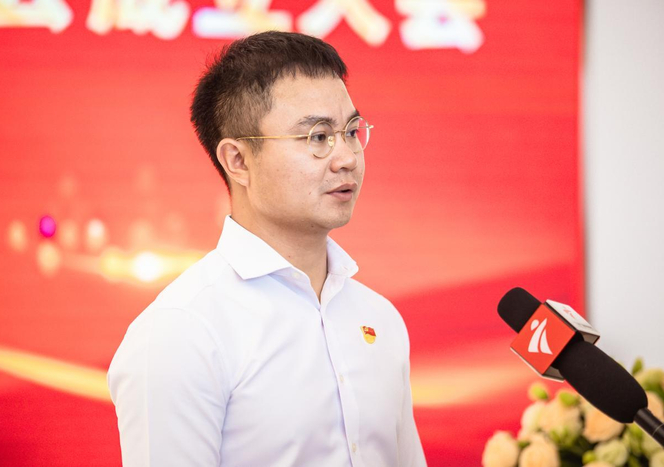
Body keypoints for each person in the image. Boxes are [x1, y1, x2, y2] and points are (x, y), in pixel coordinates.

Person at [107, 31, 426, 467]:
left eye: (351, 131)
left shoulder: (379, 318)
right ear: (238, 161)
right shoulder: (182, 331)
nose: (347, 158)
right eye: (317, 137)